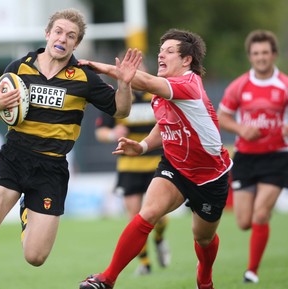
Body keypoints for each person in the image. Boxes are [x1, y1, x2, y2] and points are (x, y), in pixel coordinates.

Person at [0, 8, 142, 289]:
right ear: (47, 34)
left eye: (71, 36)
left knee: (35, 257)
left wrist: (125, 84)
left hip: (52, 167)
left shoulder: (84, 78)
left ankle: (26, 211)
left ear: (76, 44)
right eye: (58, 31)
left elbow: (120, 110)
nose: (63, 38)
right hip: (13, 158)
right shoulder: (18, 68)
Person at [78, 28, 232, 289]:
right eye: (160, 51)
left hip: (210, 175)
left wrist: (99, 67)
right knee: (147, 213)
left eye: (169, 52)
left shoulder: (188, 83)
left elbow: (146, 82)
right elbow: (164, 124)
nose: (161, 55)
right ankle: (106, 279)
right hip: (175, 166)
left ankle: (204, 279)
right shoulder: (163, 91)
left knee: (203, 238)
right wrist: (142, 146)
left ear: (187, 61)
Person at [217, 29, 288, 284]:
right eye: (256, 53)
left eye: (265, 53)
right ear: (250, 56)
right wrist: (241, 129)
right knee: (244, 222)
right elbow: (222, 116)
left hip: (276, 158)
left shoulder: (284, 85)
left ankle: (252, 272)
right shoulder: (240, 86)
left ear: (274, 55)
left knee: (260, 214)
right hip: (246, 157)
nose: (261, 58)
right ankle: (260, 226)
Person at [95, 62, 171, 275]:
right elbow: (100, 132)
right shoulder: (117, 99)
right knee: (134, 216)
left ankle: (159, 237)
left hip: (156, 162)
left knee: (158, 215)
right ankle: (145, 263)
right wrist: (112, 134)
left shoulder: (157, 96)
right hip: (129, 165)